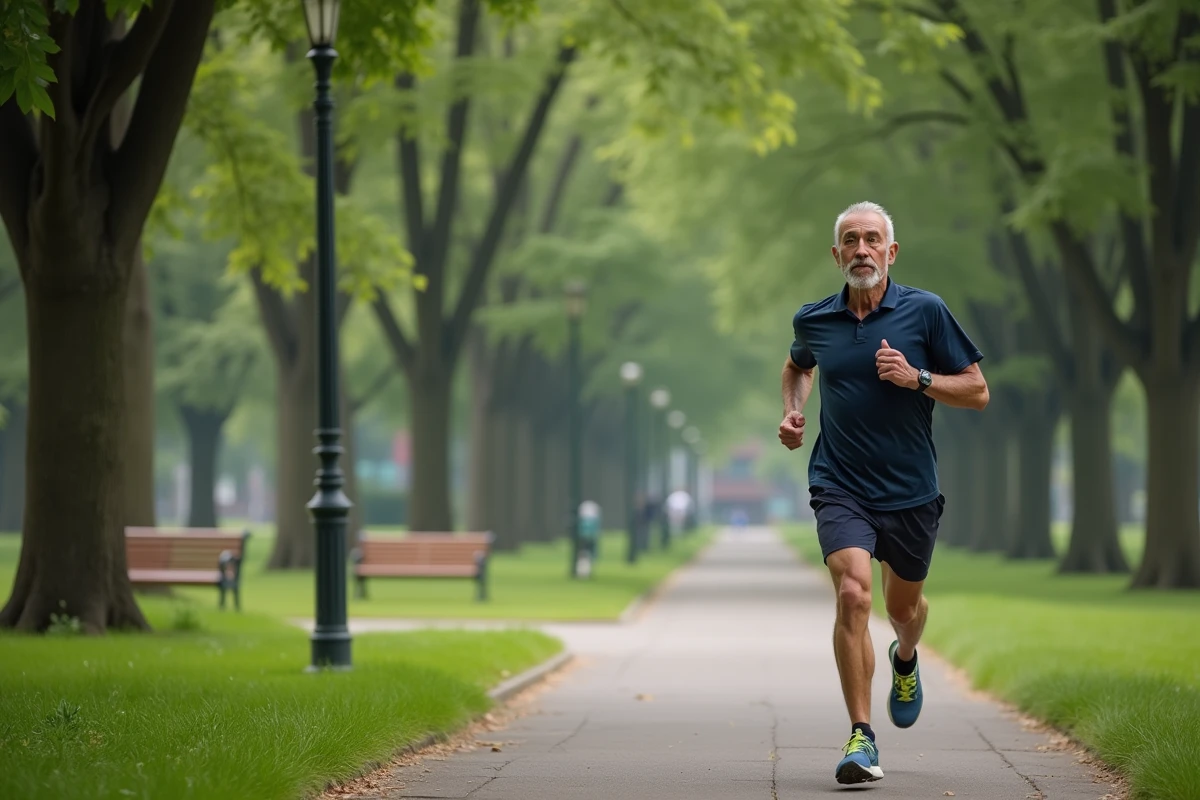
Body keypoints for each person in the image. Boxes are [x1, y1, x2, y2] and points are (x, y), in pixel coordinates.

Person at [777, 201, 988, 786]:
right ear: (836, 254)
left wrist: (918, 378)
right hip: (839, 482)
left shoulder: (926, 311)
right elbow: (797, 367)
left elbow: (977, 390)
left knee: (902, 611)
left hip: (911, 490)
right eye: (851, 239)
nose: (862, 249)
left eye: (872, 239)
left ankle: (905, 657)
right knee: (852, 594)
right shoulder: (814, 320)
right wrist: (792, 411)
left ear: (891, 252)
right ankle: (861, 737)